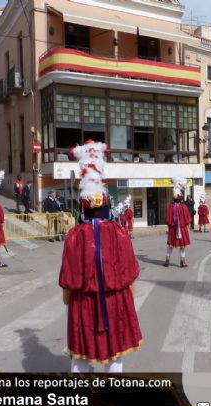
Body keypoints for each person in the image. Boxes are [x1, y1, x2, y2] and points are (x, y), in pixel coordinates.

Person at [60, 140, 142, 373]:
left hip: (82, 303)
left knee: (80, 354)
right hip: (115, 301)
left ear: (82, 207)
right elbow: (130, 270)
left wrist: (68, 297)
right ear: (106, 203)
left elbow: (68, 277)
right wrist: (129, 293)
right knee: (115, 353)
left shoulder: (74, 236)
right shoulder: (119, 232)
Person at [164, 177, 192, 267]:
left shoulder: (169, 207)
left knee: (170, 245)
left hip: (172, 229)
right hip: (182, 229)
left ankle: (167, 260)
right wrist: (187, 226)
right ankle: (182, 262)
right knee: (182, 245)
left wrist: (169, 227)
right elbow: (188, 219)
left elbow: (168, 220)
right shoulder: (184, 207)